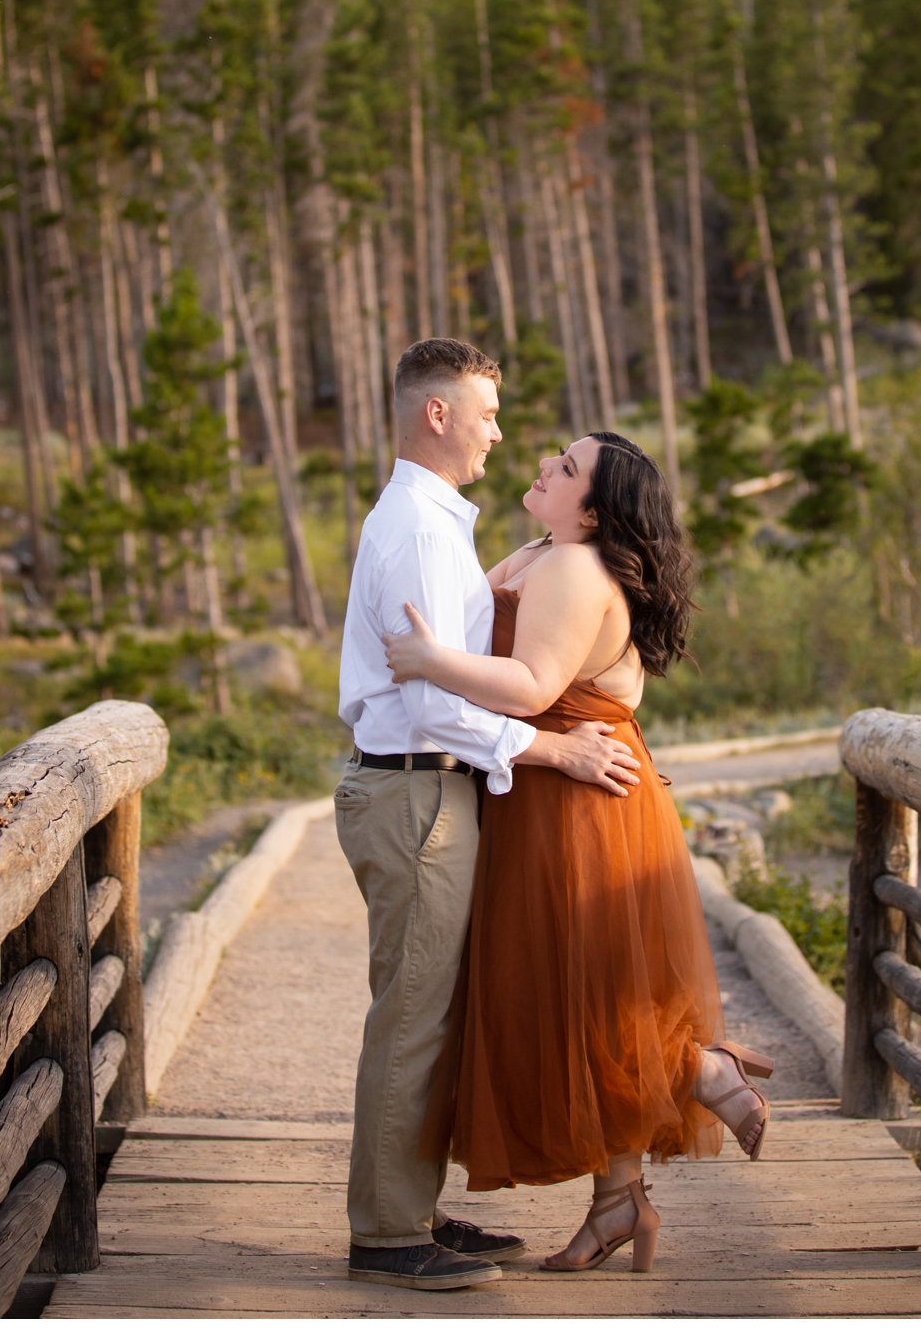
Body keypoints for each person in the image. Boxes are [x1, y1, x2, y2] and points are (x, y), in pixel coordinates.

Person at [385, 427, 775, 1275]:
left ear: (594, 511)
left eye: (565, 469)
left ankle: (695, 1067)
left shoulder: (569, 566)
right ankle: (615, 1205)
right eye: (554, 457)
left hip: (572, 803)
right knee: (584, 991)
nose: (543, 468)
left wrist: (428, 661)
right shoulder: (541, 549)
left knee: (578, 997)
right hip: (557, 790)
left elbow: (531, 688)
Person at [333, 338, 647, 1292]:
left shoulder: (436, 522)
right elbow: (430, 701)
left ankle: (411, 1206)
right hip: (416, 785)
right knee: (415, 1015)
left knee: (429, 1006)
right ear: (439, 414)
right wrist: (553, 750)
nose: (499, 432)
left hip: (425, 787)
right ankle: (388, 1234)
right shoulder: (423, 531)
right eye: (487, 412)